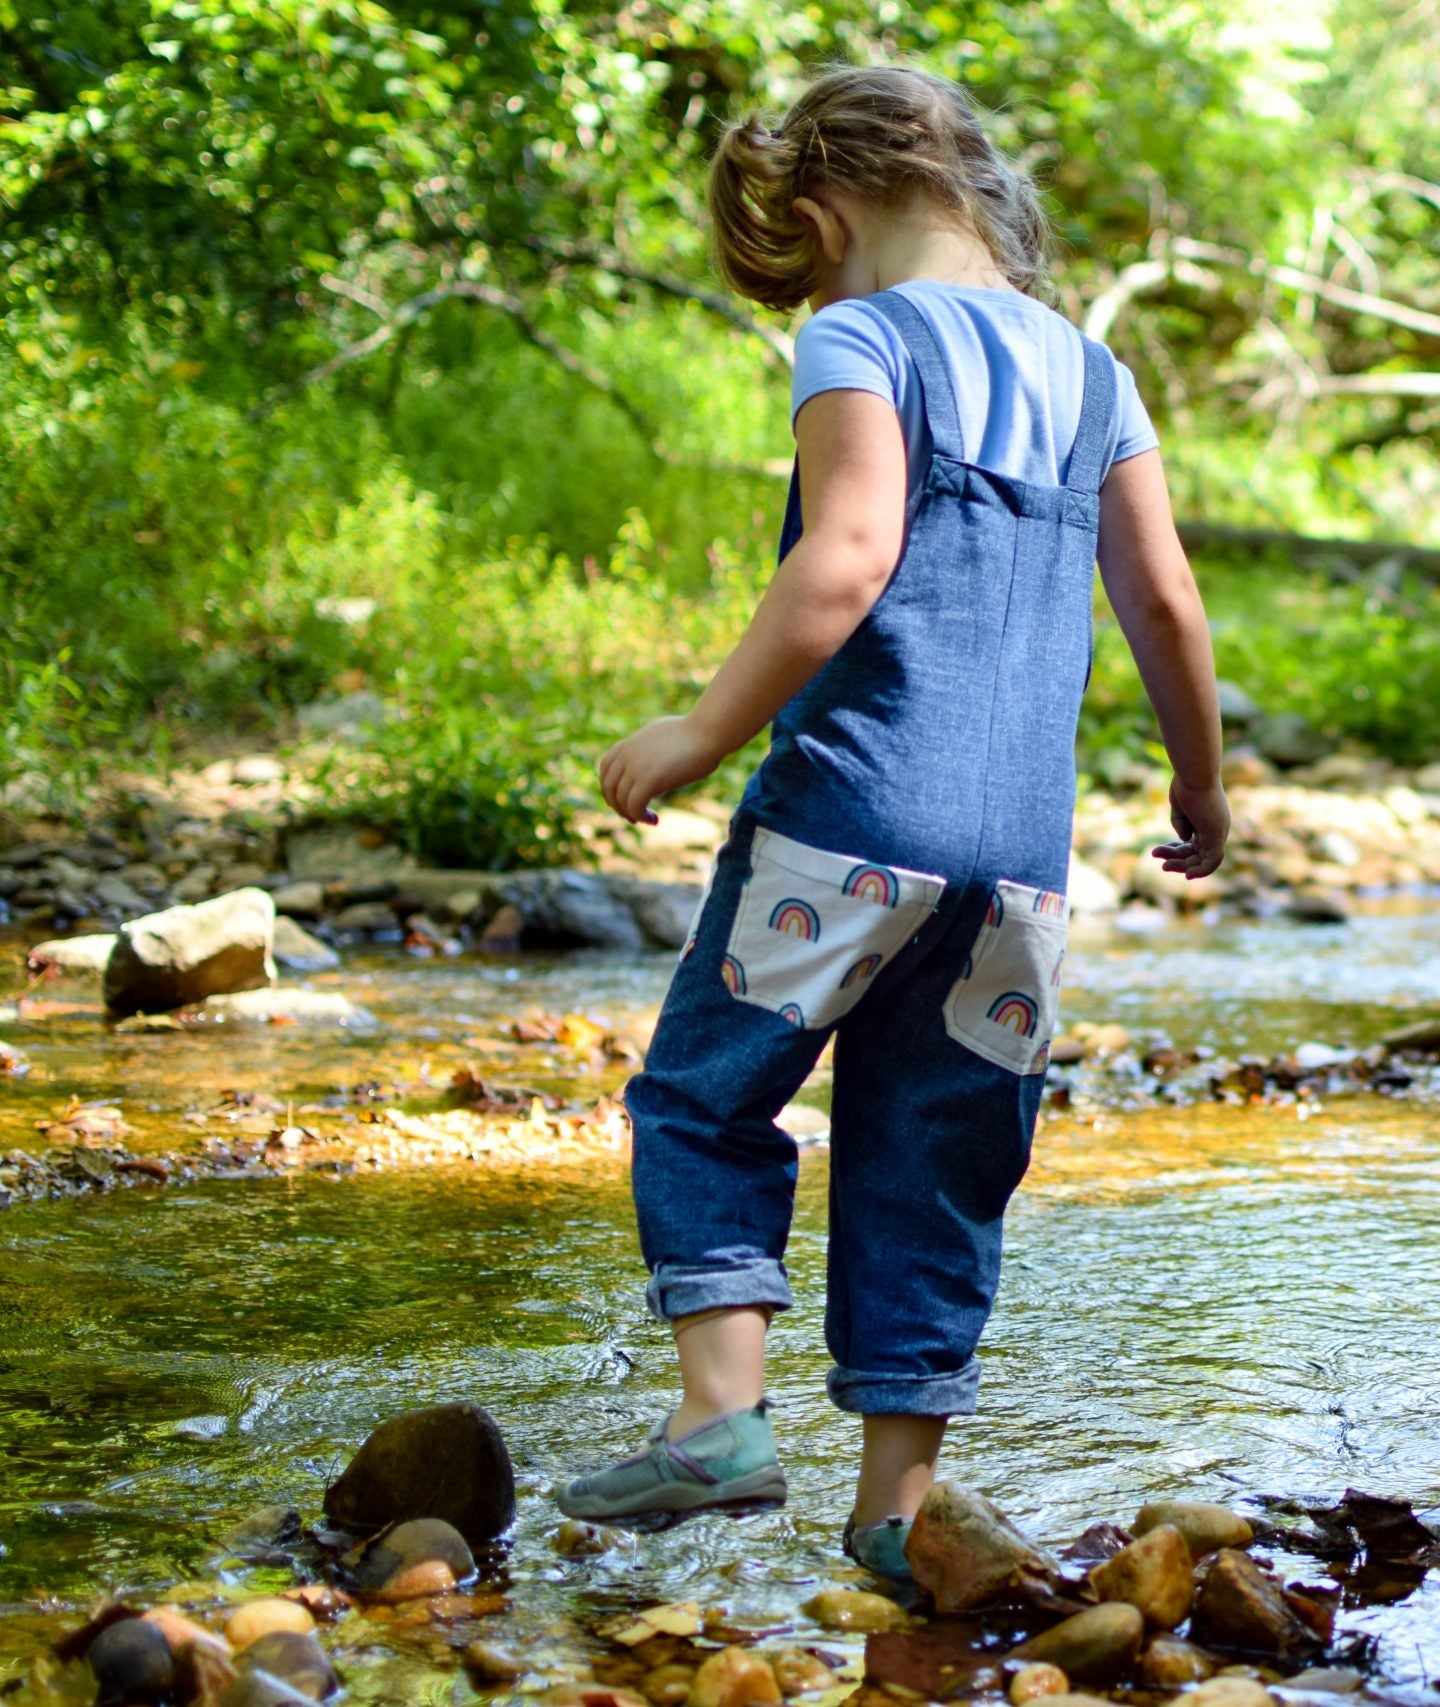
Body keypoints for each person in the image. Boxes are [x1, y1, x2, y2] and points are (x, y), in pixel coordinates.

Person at [560, 64, 1227, 1583]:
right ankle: (899, 1518)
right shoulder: (1097, 378)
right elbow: (1166, 604)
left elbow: (848, 555)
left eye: (806, 261)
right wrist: (1201, 786)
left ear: (824, 216)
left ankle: (720, 1421)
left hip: (846, 822)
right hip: (1020, 874)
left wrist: (701, 729)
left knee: (706, 1099)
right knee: (936, 1158)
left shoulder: (859, 338)